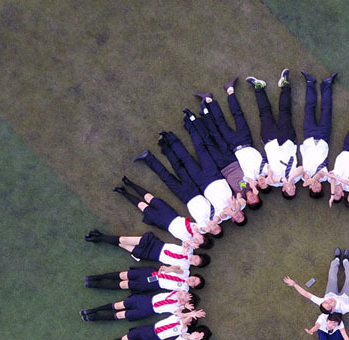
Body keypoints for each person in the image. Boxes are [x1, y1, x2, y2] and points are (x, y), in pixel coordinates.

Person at [198, 77, 271, 205]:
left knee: (220, 123)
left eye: (261, 185)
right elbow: (270, 171)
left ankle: (209, 100)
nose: (262, 182)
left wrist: (252, 185)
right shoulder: (266, 170)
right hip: (246, 140)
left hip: (232, 145)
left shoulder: (249, 178)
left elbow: (242, 182)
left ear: (258, 188)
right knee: (238, 115)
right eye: (265, 183)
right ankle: (230, 90)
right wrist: (269, 177)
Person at [112, 177, 222, 241]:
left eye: (198, 242)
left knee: (142, 206)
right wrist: (203, 230)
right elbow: (198, 227)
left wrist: (191, 243)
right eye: (201, 240)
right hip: (171, 214)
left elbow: (185, 247)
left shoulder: (188, 241)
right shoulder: (201, 228)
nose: (198, 240)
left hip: (164, 223)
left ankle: (123, 192)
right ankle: (130, 183)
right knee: (150, 198)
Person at [247, 70, 301, 198]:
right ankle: (285, 84)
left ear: (284, 190)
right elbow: (301, 168)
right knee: (285, 112)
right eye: (294, 189)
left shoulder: (274, 183)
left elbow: (268, 174)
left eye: (290, 190)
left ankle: (259, 87)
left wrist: (281, 180)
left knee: (264, 114)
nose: (293, 188)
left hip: (270, 142)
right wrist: (289, 179)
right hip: (288, 140)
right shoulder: (297, 178)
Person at [283, 248, 349, 315]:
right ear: (332, 310)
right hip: (345, 296)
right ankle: (346, 260)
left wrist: (294, 284)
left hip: (331, 292)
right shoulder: (343, 308)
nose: (330, 301)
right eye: (329, 305)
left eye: (326, 302)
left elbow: (306, 294)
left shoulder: (322, 301)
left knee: (332, 277)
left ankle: (336, 259)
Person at [87, 308, 205, 340]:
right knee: (123, 339)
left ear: (190, 323)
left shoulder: (183, 329)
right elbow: (180, 314)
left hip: (153, 339)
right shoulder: (176, 317)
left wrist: (191, 315)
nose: (188, 318)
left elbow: (184, 323)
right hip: (148, 330)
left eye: (190, 319)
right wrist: (189, 313)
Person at [297, 71, 336, 198]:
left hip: (309, 136)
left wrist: (308, 180)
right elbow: (320, 174)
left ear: (309, 187)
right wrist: (314, 179)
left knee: (309, 108)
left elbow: (303, 173)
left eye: (314, 188)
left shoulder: (304, 177)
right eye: (319, 188)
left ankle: (310, 82)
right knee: (327, 110)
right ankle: (327, 84)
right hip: (323, 138)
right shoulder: (323, 177)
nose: (316, 186)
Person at [83, 230, 207, 267]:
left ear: (194, 265)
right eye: (196, 258)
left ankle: (99, 237)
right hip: (156, 245)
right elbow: (185, 241)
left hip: (153, 255)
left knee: (123, 245)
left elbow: (171, 270)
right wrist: (186, 246)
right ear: (197, 255)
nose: (194, 260)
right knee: (124, 239)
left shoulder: (185, 266)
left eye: (195, 263)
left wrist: (170, 269)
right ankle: (99, 237)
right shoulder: (190, 250)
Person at [80, 290, 197, 322]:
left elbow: (179, 315)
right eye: (187, 295)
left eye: (188, 298)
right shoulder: (176, 293)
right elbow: (181, 292)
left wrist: (185, 308)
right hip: (145, 300)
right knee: (118, 305)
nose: (186, 296)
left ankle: (95, 317)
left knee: (121, 315)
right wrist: (183, 297)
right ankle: (93, 310)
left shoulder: (176, 308)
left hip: (147, 310)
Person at [84, 266, 204, 294]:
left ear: (193, 287)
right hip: (153, 273)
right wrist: (168, 269)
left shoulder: (184, 289)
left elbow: (180, 295)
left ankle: (95, 285)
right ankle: (95, 277)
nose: (192, 280)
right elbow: (176, 269)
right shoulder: (186, 273)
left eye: (194, 283)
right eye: (194, 278)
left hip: (153, 284)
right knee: (124, 275)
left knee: (125, 284)